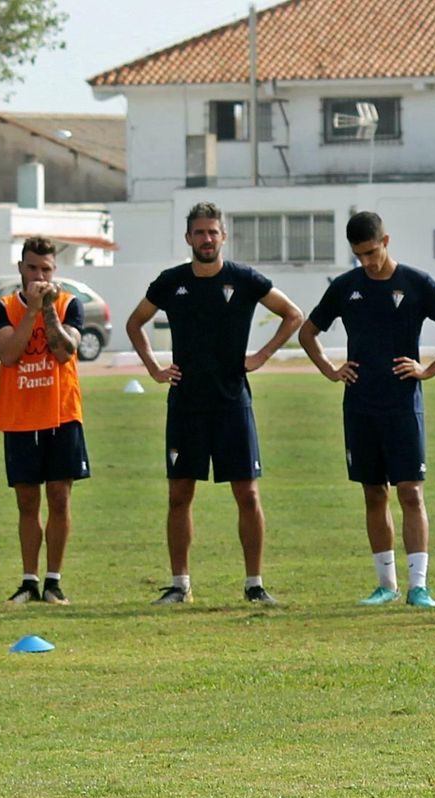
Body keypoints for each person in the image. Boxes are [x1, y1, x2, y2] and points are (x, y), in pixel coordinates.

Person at [123, 202, 304, 605]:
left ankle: (254, 584)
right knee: (179, 494)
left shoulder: (244, 279)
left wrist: (260, 356)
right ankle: (179, 585)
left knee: (248, 495)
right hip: (186, 404)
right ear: (188, 238)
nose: (206, 239)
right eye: (199, 233)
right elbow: (135, 322)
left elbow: (292, 315)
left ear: (223, 236)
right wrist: (153, 366)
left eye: (213, 232)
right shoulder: (171, 282)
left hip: (232, 402)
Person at [298, 211, 435, 608]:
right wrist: (330, 369)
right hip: (360, 404)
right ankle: (386, 584)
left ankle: (419, 586)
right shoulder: (346, 288)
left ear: (386, 241)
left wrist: (428, 369)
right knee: (373, 492)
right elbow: (308, 332)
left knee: (410, 492)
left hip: (402, 405)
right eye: (360, 255)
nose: (368, 261)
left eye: (372, 252)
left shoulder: (415, 284)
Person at [0, 237, 88, 605]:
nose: (39, 275)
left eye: (46, 269)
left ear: (55, 271)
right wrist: (30, 310)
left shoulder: (69, 305)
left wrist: (48, 310)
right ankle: (29, 581)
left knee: (60, 499)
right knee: (27, 502)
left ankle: (53, 582)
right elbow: (9, 355)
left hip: (61, 413)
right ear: (21, 268)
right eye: (33, 268)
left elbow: (65, 352)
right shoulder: (2, 308)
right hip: (20, 417)